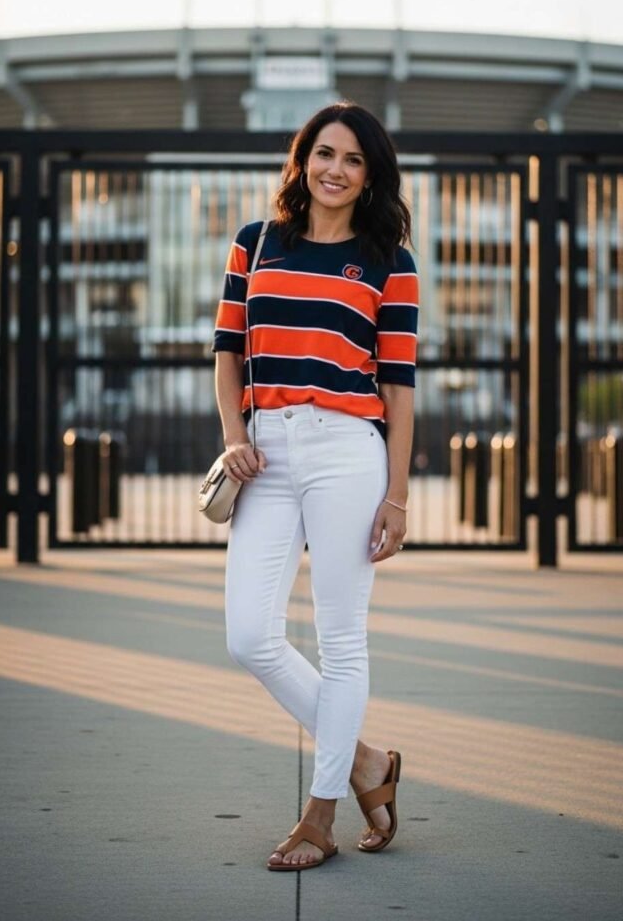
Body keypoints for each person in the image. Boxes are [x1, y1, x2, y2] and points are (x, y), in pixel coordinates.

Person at [212, 101, 419, 871]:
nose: (335, 169)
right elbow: (228, 351)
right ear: (302, 161)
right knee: (248, 636)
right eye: (323, 153)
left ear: (370, 176)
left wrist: (396, 496)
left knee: (341, 639)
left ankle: (320, 813)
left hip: (346, 451)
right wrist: (234, 437)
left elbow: (397, 386)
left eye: (354, 160)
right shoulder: (255, 242)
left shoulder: (389, 262)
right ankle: (369, 762)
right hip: (263, 452)